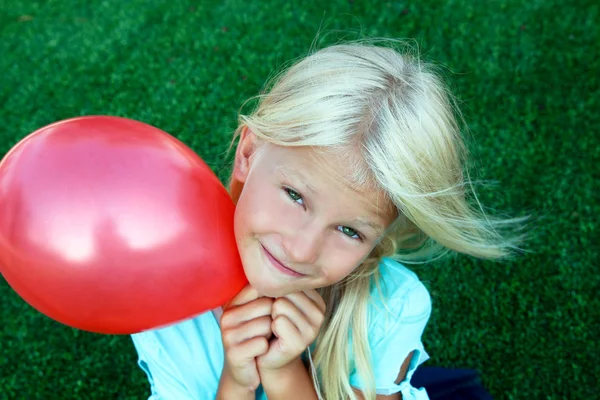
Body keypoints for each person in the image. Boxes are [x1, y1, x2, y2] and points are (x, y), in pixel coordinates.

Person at [130, 39, 528, 400]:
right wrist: (236, 382)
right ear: (248, 153)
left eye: (349, 230)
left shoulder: (391, 308)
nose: (301, 250)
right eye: (295, 196)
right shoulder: (166, 303)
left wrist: (283, 373)